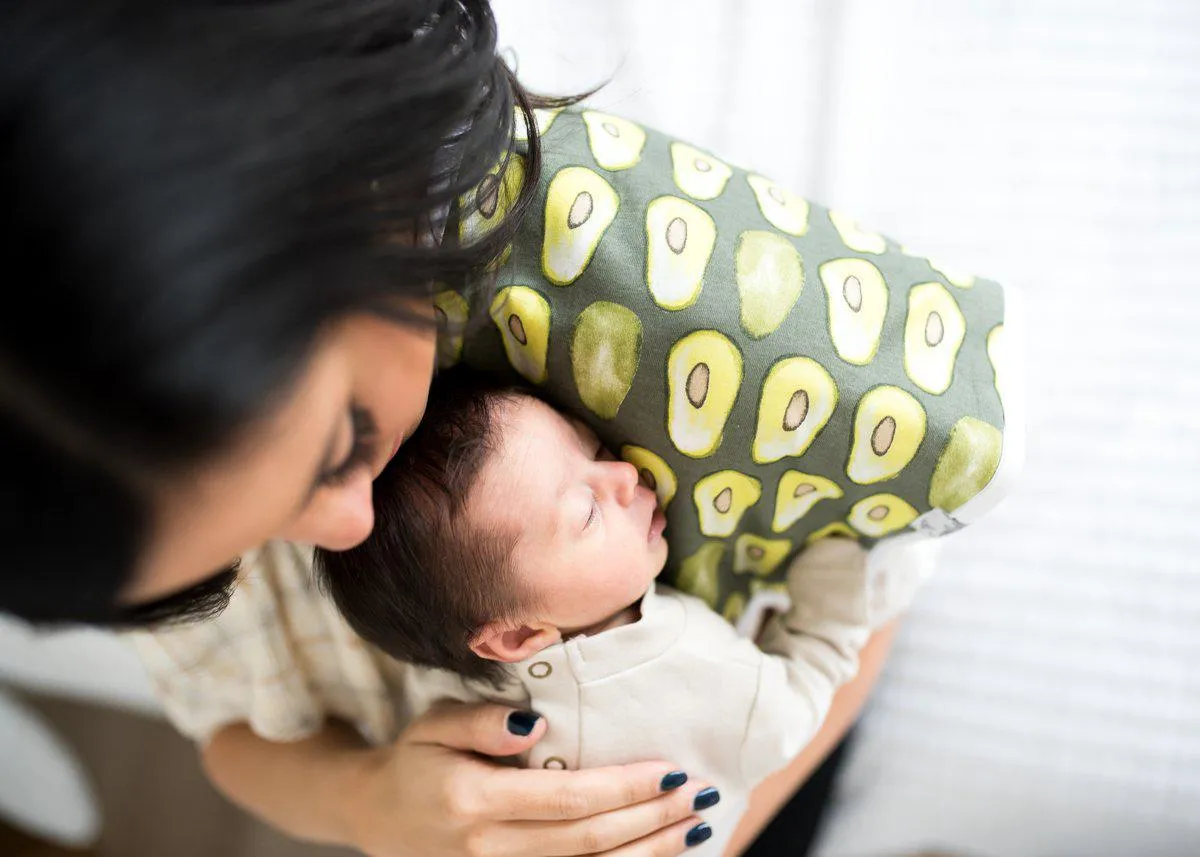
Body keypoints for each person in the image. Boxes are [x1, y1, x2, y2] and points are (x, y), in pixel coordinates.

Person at [0, 2, 901, 855]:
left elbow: (874, 572)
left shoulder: (620, 273)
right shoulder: (105, 472)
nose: (346, 531)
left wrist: (710, 822)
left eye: (345, 446)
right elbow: (225, 732)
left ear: (348, 202)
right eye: (223, 560)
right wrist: (367, 801)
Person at [314, 374, 928, 855]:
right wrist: (852, 574)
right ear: (521, 633)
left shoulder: (441, 654)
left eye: (594, 448)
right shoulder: (687, 665)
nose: (625, 473)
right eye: (585, 513)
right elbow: (795, 707)